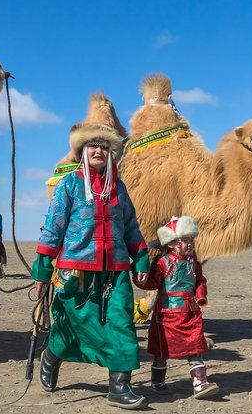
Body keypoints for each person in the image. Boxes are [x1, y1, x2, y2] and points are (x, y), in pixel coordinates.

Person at [32, 122, 150, 410]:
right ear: (82, 152)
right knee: (68, 325)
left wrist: (141, 258)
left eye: (104, 146)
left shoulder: (119, 189)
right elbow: (53, 228)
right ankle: (51, 357)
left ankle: (119, 387)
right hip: (76, 272)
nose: (98, 150)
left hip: (115, 272)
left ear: (110, 154)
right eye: (92, 146)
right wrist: (43, 269)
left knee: (121, 325)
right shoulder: (69, 185)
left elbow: (131, 227)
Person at [137, 215, 219, 399]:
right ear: (172, 244)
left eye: (191, 240)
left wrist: (201, 296)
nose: (190, 244)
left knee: (195, 346)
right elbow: (152, 283)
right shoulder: (162, 263)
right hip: (166, 316)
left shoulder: (193, 264)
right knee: (161, 351)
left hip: (189, 313)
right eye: (185, 240)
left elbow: (199, 281)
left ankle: (200, 383)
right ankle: (157, 383)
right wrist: (140, 280)